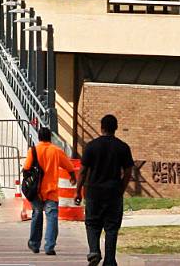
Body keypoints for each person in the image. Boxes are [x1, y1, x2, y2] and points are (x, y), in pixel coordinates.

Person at [79, 114, 134, 266]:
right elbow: (128, 171)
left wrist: (78, 191)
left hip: (94, 192)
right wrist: (121, 188)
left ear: (101, 127)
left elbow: (83, 171)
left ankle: (94, 251)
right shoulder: (123, 147)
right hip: (113, 192)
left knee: (92, 223)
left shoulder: (91, 146)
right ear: (116, 128)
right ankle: (110, 260)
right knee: (111, 227)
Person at [24, 126, 79, 256]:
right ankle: (49, 246)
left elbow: (26, 168)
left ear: (39, 137)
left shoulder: (33, 151)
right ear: (50, 138)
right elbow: (69, 167)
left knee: (37, 215)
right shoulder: (56, 151)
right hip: (51, 191)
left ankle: (34, 244)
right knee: (52, 218)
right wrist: (72, 177)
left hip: (36, 190)